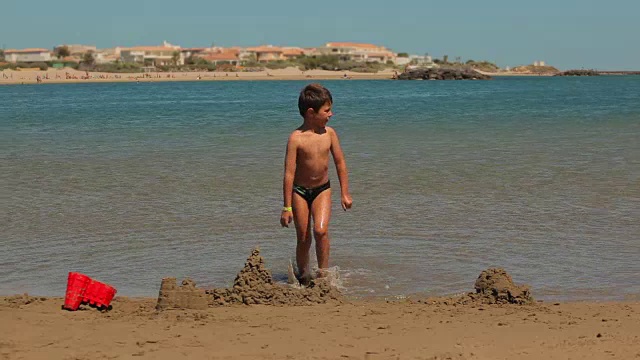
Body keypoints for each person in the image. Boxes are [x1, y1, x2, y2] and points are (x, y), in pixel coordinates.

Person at [280, 83, 353, 284]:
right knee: (303, 237)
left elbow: (340, 162)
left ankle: (323, 275)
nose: (331, 114)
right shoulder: (296, 138)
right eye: (327, 110)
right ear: (311, 113)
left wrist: (344, 193)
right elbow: (288, 174)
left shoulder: (330, 134)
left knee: (320, 231)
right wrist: (286, 207)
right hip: (299, 192)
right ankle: (303, 277)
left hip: (322, 189)